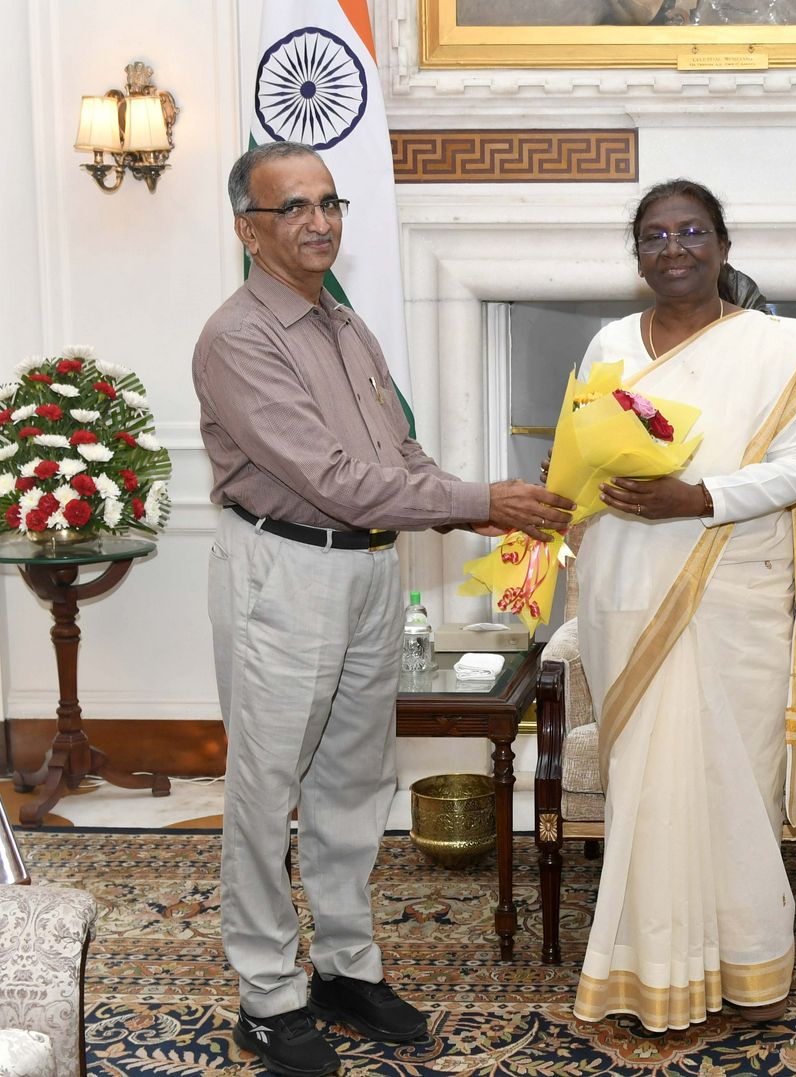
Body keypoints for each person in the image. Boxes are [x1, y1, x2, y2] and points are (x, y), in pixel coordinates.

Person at [193, 141, 574, 1077]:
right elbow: (330, 479)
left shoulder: (346, 325)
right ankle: (267, 996)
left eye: (329, 203)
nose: (318, 221)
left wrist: (483, 502)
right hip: (284, 569)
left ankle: (344, 967)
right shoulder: (239, 337)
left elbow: (398, 459)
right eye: (293, 207)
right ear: (248, 230)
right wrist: (478, 500)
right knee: (267, 788)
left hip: (369, 571)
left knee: (354, 781)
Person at [570, 178, 796, 1033]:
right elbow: (581, 451)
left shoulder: (775, 349)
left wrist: (698, 498)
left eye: (691, 231)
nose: (673, 248)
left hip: (736, 589)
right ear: (637, 254)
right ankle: (648, 970)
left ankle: (748, 964)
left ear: (723, 245)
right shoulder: (607, 342)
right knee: (647, 787)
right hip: (626, 585)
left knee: (732, 782)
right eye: (655, 235)